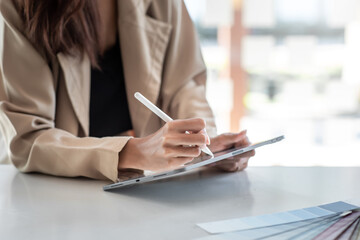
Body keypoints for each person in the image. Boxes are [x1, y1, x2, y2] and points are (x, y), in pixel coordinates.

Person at [0, 0, 255, 182]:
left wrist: (204, 147)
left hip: (138, 194)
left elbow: (185, 87)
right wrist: (132, 152)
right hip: (49, 193)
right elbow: (28, 139)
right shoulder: (17, 6)